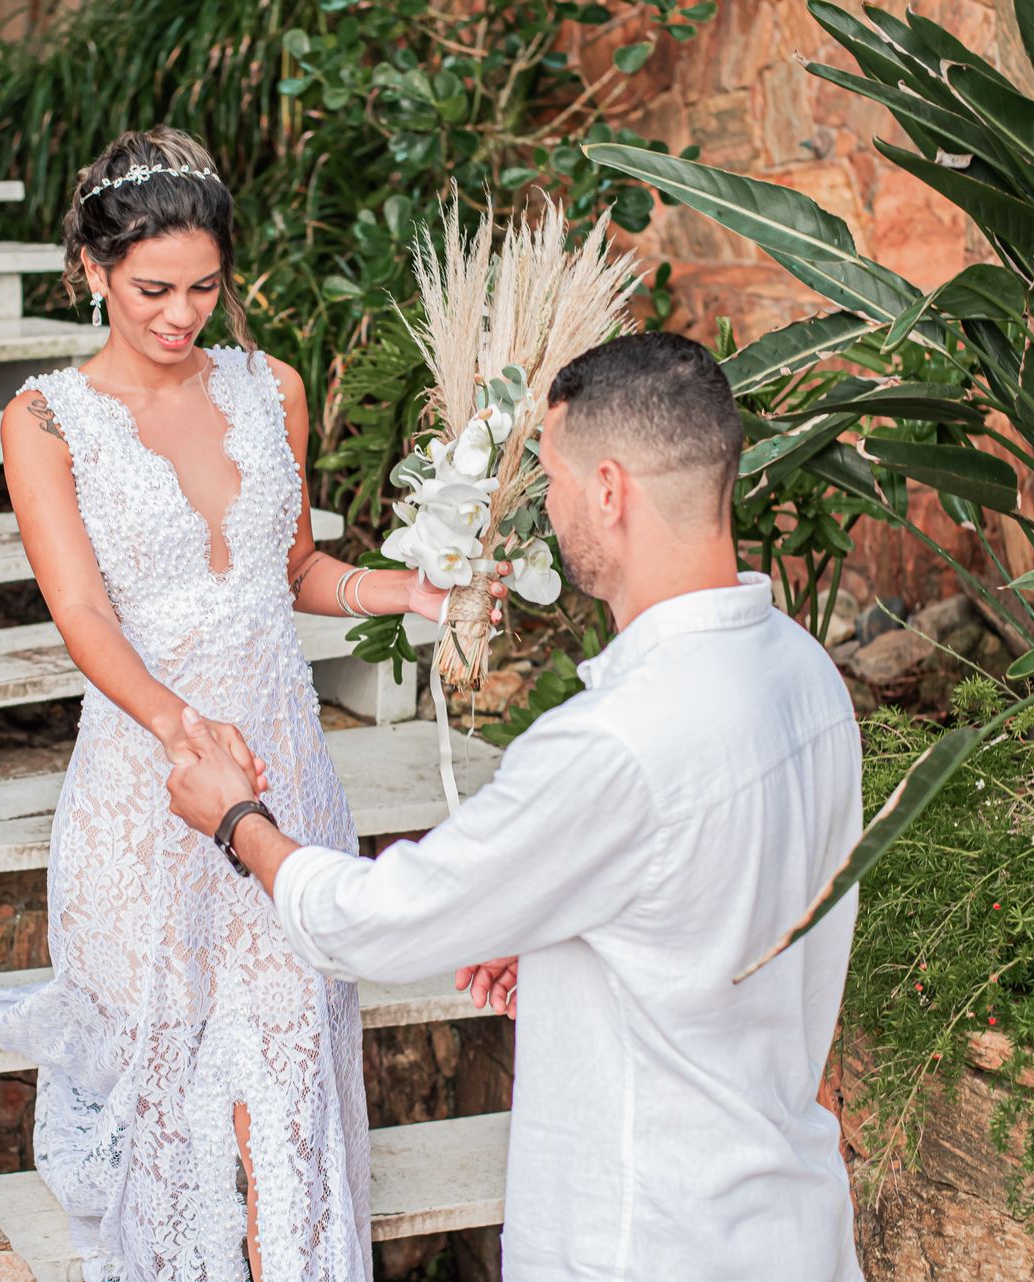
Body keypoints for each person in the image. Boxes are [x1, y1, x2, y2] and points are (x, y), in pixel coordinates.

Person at [165, 331, 867, 1280]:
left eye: (553, 476)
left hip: (643, 1240)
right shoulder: (804, 673)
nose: (547, 501)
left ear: (610, 490)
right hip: (790, 1230)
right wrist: (560, 934)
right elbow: (716, 911)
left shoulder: (614, 743)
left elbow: (373, 924)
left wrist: (237, 819)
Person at [0, 127, 506, 1282]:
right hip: (146, 790)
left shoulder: (270, 388)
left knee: (286, 1071)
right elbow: (86, 618)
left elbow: (291, 573)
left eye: (204, 287)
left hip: (282, 779)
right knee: (167, 1092)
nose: (180, 314)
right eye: (153, 288)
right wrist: (177, 727)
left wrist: (406, 589)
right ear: (92, 270)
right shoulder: (46, 419)